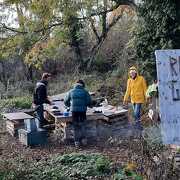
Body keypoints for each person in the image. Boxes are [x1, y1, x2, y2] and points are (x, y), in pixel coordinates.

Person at [64, 80, 92, 148]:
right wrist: (87, 105)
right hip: (82, 111)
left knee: (75, 126)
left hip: (74, 111)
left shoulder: (71, 91)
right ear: (82, 85)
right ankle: (84, 140)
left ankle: (76, 142)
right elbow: (89, 101)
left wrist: (68, 106)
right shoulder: (85, 92)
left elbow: (66, 101)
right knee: (83, 125)